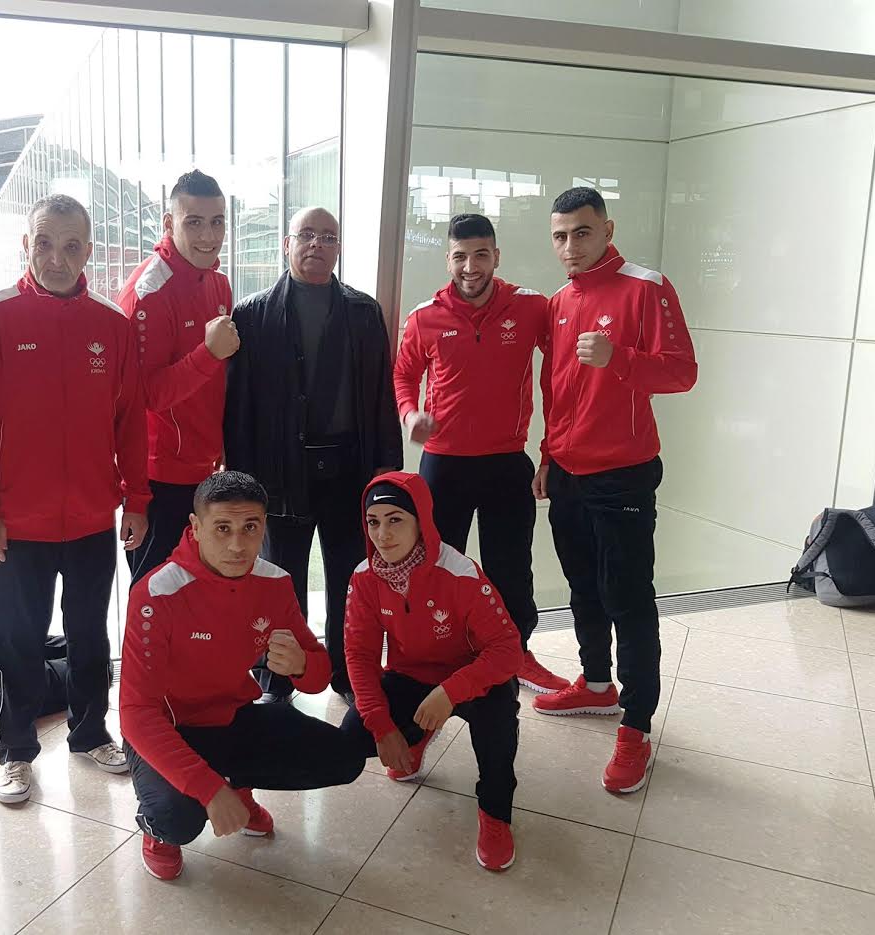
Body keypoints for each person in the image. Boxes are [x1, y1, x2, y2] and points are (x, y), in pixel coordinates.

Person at [0, 193, 150, 804]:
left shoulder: (111, 325)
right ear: (27, 244)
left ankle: (90, 732)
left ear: (88, 251)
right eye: (44, 243)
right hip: (17, 524)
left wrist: (137, 498)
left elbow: (130, 421)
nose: (57, 258)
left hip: (92, 516)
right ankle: (15, 751)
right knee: (17, 641)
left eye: (71, 246)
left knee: (90, 634)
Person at [119, 471, 365, 880]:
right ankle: (157, 830)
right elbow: (136, 714)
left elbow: (318, 676)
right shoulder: (156, 593)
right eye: (222, 528)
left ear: (264, 526)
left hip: (233, 716)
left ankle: (235, 784)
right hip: (168, 728)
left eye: (250, 527)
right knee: (176, 818)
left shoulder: (274, 582)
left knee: (344, 758)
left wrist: (302, 665)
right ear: (196, 527)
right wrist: (208, 789)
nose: (237, 545)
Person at [532, 187, 697, 793]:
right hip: (567, 471)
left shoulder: (646, 286)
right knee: (583, 585)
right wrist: (547, 455)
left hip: (622, 471)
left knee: (627, 596)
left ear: (607, 229)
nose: (570, 246)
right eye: (559, 236)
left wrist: (619, 357)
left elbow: (682, 372)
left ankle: (637, 723)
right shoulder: (559, 301)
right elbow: (556, 388)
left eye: (581, 232)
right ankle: (597, 684)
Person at [224, 206, 403, 705]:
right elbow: (239, 408)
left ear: (338, 248)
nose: (316, 245)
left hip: (349, 469)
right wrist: (242, 483)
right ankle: (277, 682)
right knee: (280, 583)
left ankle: (350, 675)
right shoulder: (252, 314)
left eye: (328, 237)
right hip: (280, 471)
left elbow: (381, 394)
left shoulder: (363, 313)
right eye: (307, 235)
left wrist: (387, 465)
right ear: (287, 244)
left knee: (351, 582)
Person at [395, 212, 567, 697]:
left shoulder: (530, 307)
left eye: (481, 255)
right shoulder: (425, 317)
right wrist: (410, 414)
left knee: (510, 569)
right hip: (443, 465)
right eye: (460, 257)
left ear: (496, 256)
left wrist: (550, 450)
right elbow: (403, 375)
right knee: (438, 567)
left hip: (507, 462)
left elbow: (561, 370)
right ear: (448, 259)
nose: (471, 267)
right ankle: (439, 655)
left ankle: (516, 654)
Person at [341, 472, 523, 871]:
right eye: (373, 522)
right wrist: (381, 725)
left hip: (471, 676)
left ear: (421, 522)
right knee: (352, 738)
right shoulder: (365, 577)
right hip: (410, 676)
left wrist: (451, 691)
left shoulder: (459, 573)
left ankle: (495, 813)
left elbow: (508, 650)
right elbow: (359, 655)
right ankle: (417, 734)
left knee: (497, 722)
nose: (383, 535)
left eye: (395, 520)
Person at [116, 170, 235, 586]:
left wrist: (222, 441)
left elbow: (215, 383)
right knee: (156, 595)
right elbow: (146, 395)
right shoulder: (147, 293)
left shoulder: (218, 283)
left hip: (205, 471)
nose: (209, 235)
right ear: (168, 223)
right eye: (194, 222)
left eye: (217, 222)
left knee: (198, 593)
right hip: (159, 478)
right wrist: (208, 353)